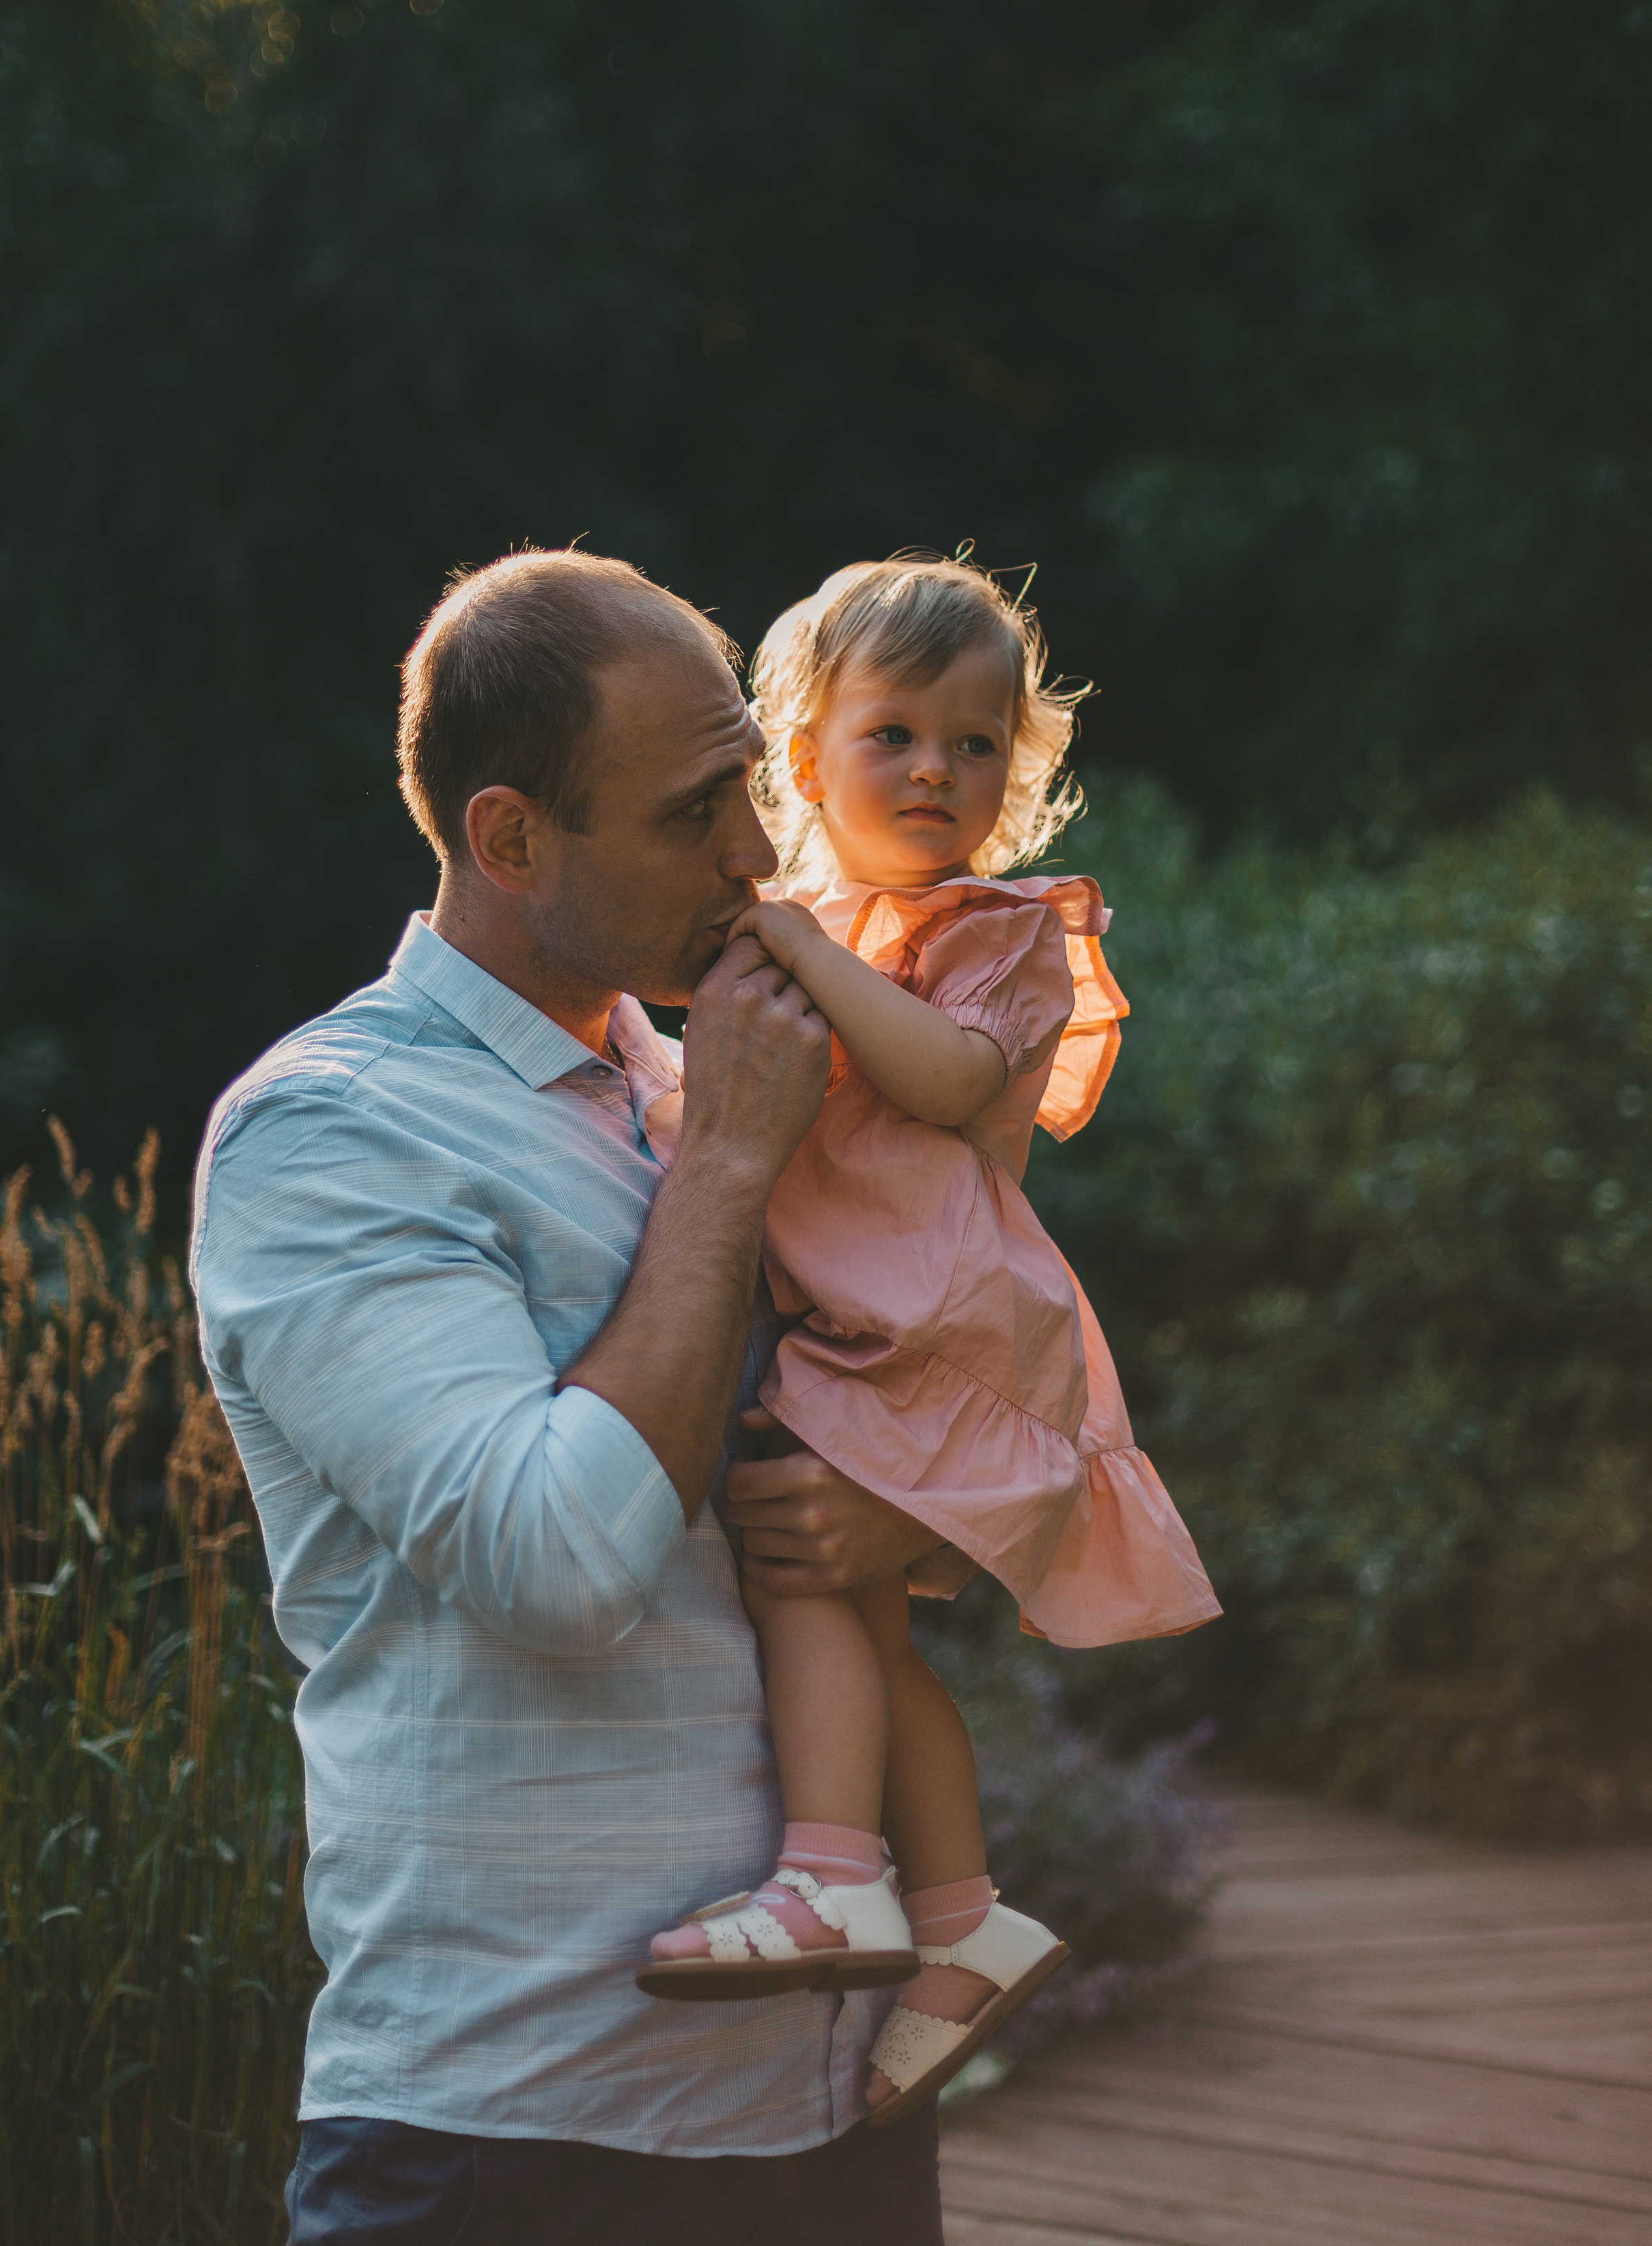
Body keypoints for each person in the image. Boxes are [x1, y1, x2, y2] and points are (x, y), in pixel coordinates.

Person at [189, 551, 952, 2246]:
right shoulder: (330, 1134)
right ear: (510, 837)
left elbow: (906, 1428)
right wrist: (734, 1166)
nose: (759, 855)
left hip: (830, 2104)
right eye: (696, 812)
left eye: (753, 782)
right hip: (518, 2132)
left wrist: (906, 1516)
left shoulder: (704, 1087)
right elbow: (558, 1563)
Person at [639, 556, 1220, 2120]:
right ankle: (960, 1920)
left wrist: (803, 948)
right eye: (892, 733)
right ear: (802, 752)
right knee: (853, 1620)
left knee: (805, 1573)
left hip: (937, 1325)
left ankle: (836, 1875)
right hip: (857, 1318)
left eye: (976, 745)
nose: (934, 772)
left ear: (1016, 773)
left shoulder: (995, 928)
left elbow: (951, 1082)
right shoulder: (817, 924)